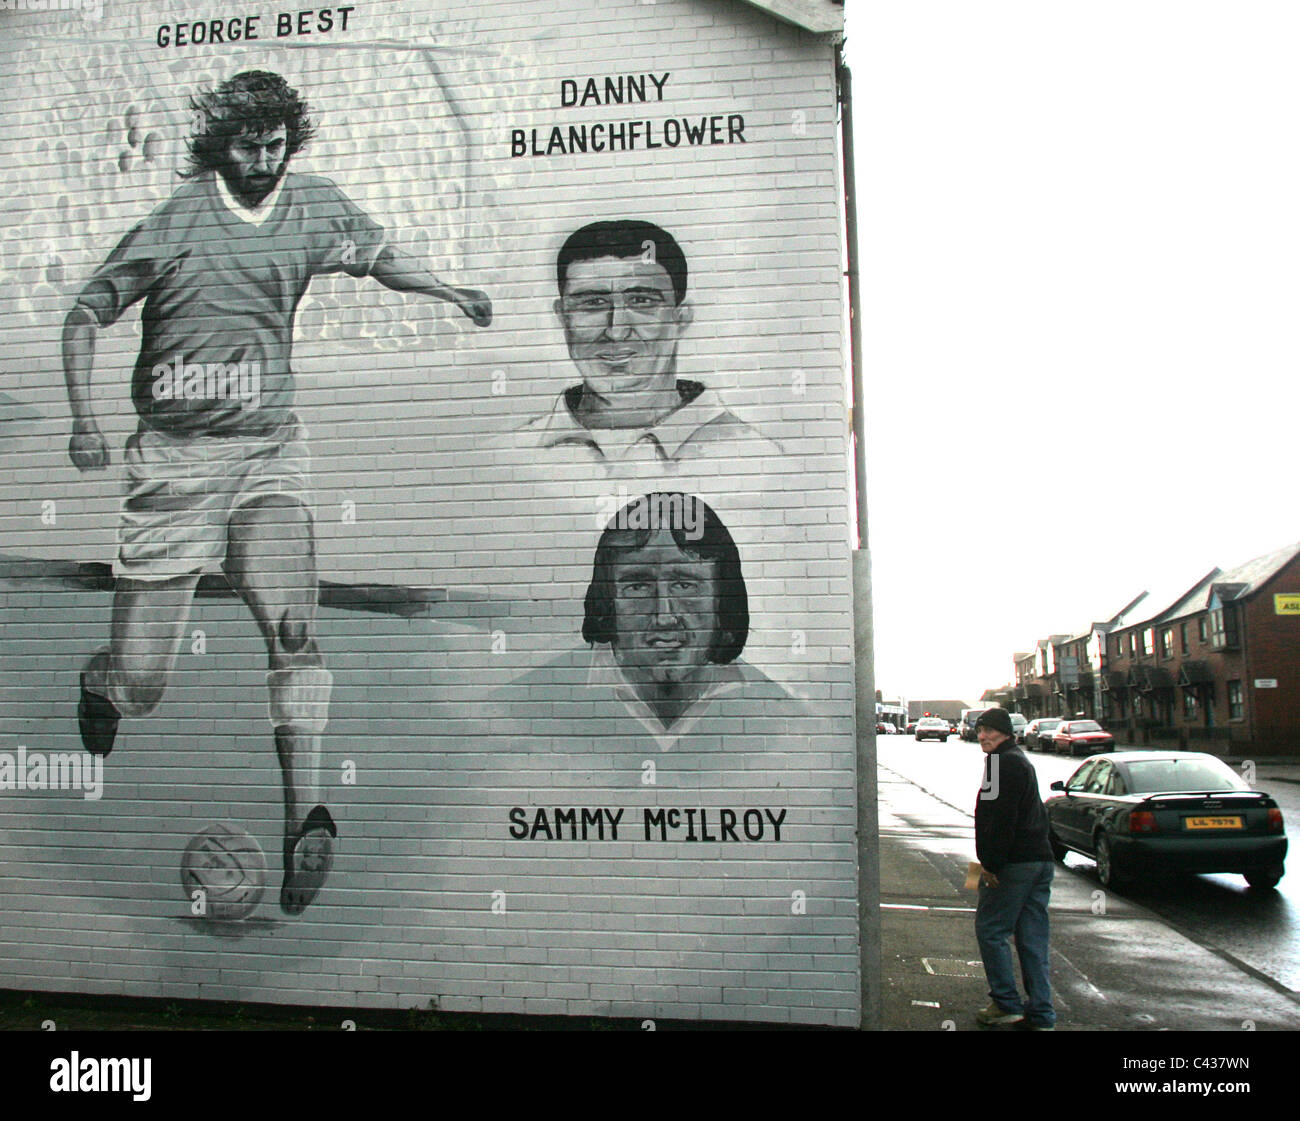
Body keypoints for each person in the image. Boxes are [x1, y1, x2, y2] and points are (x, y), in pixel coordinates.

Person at [62, 70, 492, 915]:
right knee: (144, 686)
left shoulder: (316, 204)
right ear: (217, 147)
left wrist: (447, 288)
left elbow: (381, 258)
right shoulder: (179, 221)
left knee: (295, 624)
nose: (264, 159)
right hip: (175, 464)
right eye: (248, 145)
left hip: (267, 451)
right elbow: (85, 312)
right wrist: (85, 418)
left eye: (276, 145)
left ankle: (305, 817)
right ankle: (105, 681)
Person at [497, 492, 795, 751]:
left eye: (684, 585)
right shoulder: (514, 711)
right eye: (638, 586)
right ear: (607, 600)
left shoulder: (784, 720)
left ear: (723, 598)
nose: (664, 615)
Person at [514, 220, 780, 470]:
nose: (616, 330)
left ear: (681, 318)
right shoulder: (511, 457)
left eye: (641, 301)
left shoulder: (755, 459)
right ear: (563, 316)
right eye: (593, 303)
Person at [972, 707, 1057, 1030]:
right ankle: (1042, 1014)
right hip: (1040, 860)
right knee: (1032, 937)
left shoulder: (997, 764)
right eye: (980, 730)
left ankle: (1006, 1004)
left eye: (990, 731)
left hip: (1012, 864)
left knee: (990, 929)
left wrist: (991, 864)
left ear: (1006, 733)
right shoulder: (1020, 760)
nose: (983, 737)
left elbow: (997, 818)